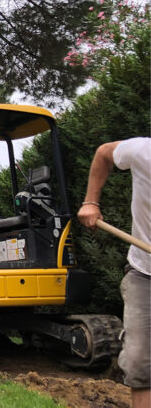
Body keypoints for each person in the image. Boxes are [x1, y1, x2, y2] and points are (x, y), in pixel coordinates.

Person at [77, 137, 150, 408]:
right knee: (141, 364)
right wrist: (91, 202)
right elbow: (103, 153)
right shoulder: (144, 151)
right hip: (145, 275)